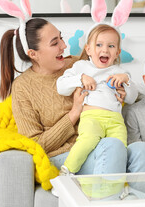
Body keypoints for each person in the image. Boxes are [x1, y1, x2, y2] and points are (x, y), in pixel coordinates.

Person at [0, 18, 145, 180]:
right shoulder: (22, 87)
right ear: (33, 54)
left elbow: (129, 92)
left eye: (61, 38)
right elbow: (35, 144)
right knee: (112, 145)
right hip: (65, 155)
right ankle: (108, 200)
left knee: (144, 150)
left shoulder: (77, 64)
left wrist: (124, 90)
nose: (64, 46)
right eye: (55, 43)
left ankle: (139, 200)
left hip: (102, 142)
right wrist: (74, 113)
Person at [56, 24, 138, 175]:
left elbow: (132, 98)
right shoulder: (81, 67)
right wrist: (80, 79)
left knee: (120, 150)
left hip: (115, 121)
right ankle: (67, 172)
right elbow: (61, 86)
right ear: (88, 49)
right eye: (99, 45)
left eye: (111, 46)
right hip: (92, 117)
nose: (105, 50)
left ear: (117, 52)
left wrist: (126, 80)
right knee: (87, 140)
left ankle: (120, 184)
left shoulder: (120, 72)